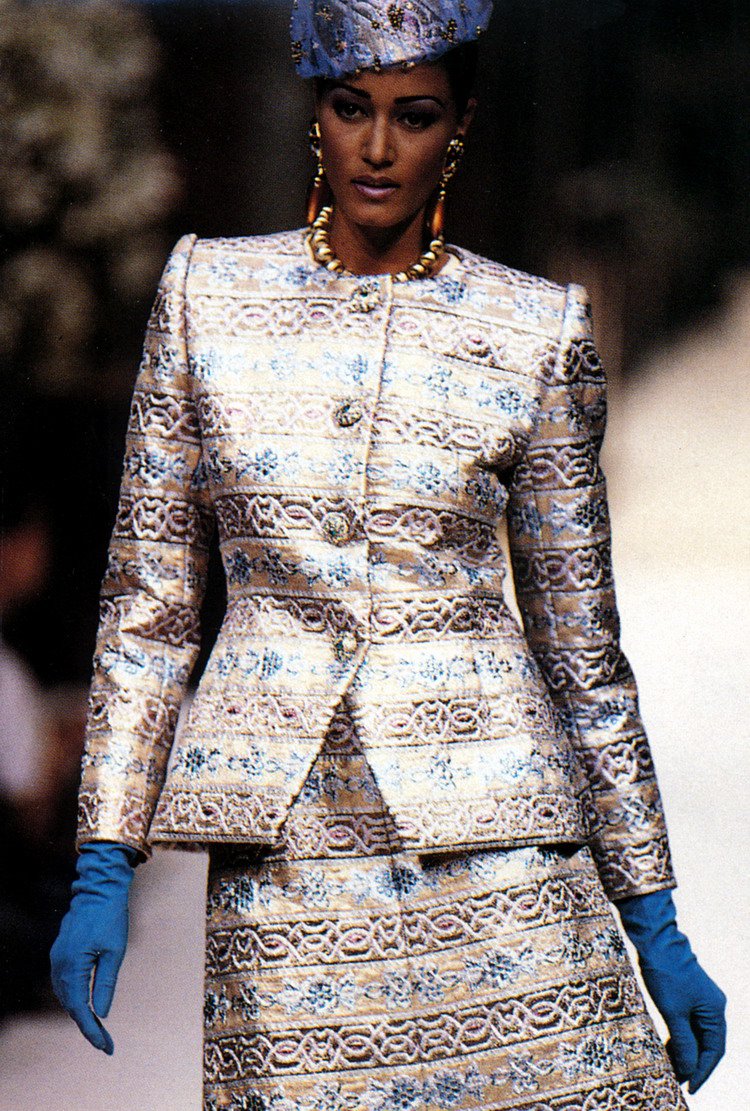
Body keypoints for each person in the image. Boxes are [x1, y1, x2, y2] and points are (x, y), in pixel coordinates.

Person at [51, 2, 726, 1108]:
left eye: (414, 115)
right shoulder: (207, 298)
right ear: (314, 111)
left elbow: (581, 650)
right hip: (284, 845)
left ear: (458, 126)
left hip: (504, 842)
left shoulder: (535, 327)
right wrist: (103, 859)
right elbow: (149, 608)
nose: (376, 147)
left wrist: (654, 915)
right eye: (349, 107)